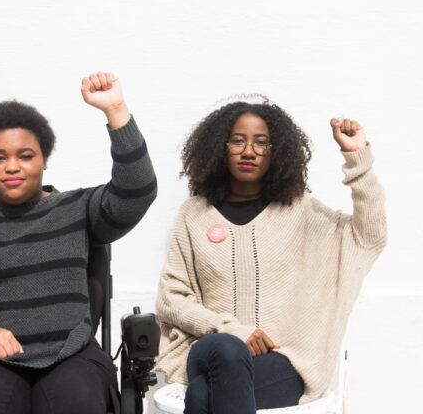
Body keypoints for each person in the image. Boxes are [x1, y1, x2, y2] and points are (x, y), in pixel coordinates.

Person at [0, 72, 157, 414]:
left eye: (25, 156)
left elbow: (137, 191)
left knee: (78, 403)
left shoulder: (76, 209)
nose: (12, 167)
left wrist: (115, 111)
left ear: (44, 160)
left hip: (69, 353)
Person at [154, 99, 386, 413]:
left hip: (282, 361)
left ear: (277, 152)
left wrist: (358, 160)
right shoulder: (194, 214)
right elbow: (172, 298)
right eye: (238, 141)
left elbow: (370, 235)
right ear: (220, 148)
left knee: (201, 395)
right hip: (210, 348)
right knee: (225, 349)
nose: (249, 151)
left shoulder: (302, 211)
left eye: (261, 143)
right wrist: (231, 330)